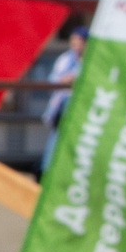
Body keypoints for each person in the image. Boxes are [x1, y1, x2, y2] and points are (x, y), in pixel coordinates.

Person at [41, 22, 87, 172]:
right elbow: (53, 81)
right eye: (73, 40)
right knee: (57, 141)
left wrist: (76, 79)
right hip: (61, 105)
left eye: (78, 41)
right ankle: (47, 171)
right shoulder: (65, 59)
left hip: (81, 108)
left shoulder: (90, 62)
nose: (75, 44)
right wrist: (63, 81)